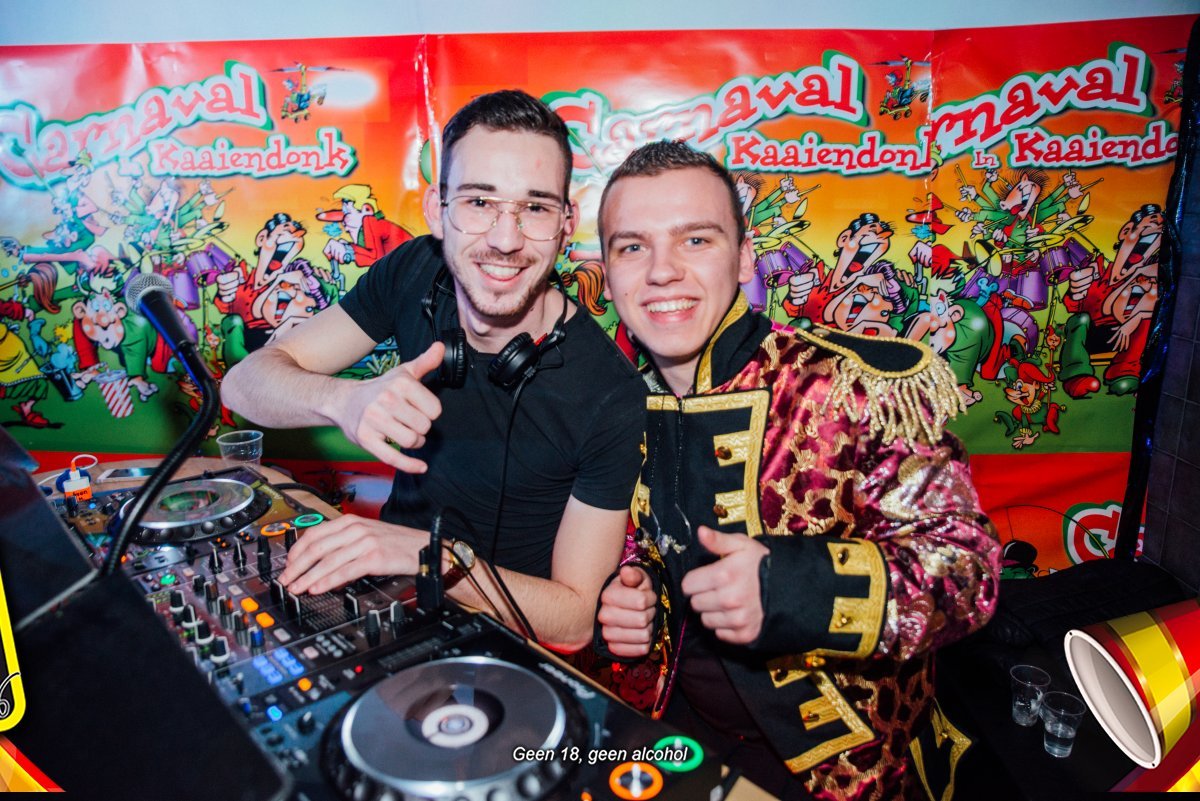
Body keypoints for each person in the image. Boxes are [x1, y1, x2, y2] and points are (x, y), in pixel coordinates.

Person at [593, 141, 1000, 800]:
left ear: (744, 257)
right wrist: (632, 597)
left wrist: (797, 589)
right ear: (608, 273)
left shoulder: (851, 384)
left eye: (695, 239)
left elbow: (966, 570)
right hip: (674, 736)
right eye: (632, 246)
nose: (662, 270)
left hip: (843, 770)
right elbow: (645, 548)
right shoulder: (618, 404)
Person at [222, 90, 647, 651]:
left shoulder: (609, 393)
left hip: (504, 646)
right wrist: (343, 401)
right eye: (479, 202)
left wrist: (431, 557)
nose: (505, 239)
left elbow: (573, 619)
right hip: (386, 598)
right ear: (435, 209)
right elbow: (242, 385)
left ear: (566, 223)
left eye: (535, 208)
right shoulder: (414, 272)